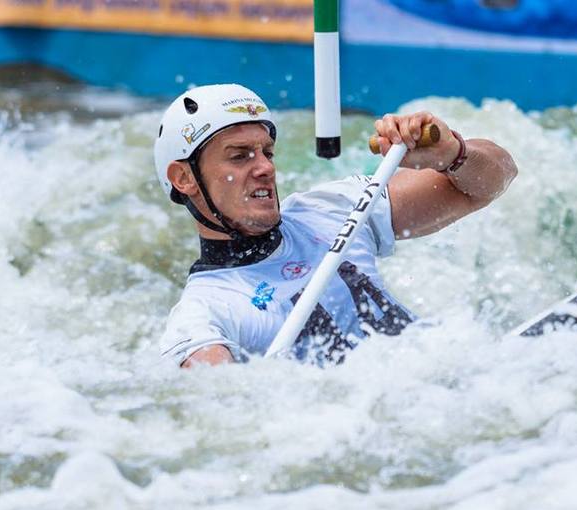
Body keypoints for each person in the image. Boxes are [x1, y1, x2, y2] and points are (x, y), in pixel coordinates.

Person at [154, 84, 517, 368]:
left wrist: (451, 153)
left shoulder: (331, 210)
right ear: (184, 177)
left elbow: (494, 180)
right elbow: (223, 418)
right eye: (240, 156)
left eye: (267, 152)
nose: (265, 167)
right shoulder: (205, 317)